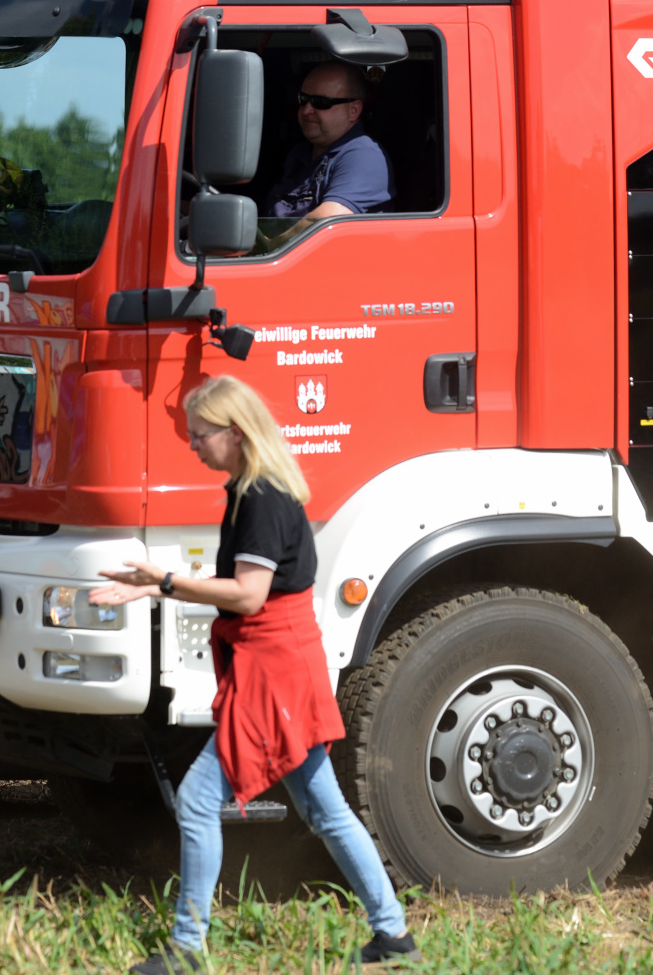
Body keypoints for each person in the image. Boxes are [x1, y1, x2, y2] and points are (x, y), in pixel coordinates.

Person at [91, 376, 416, 974]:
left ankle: (188, 949)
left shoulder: (261, 498)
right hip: (283, 665)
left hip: (273, 674)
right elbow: (248, 596)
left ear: (235, 432)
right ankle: (393, 934)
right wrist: (154, 590)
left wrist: (165, 581)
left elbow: (248, 595)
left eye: (200, 434)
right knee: (325, 809)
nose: (193, 445)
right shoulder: (256, 490)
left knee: (197, 802)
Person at [261, 61, 392, 246]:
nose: (306, 110)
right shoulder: (300, 153)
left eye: (321, 102)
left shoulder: (363, 156)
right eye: (303, 99)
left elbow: (326, 220)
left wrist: (268, 249)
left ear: (353, 110)